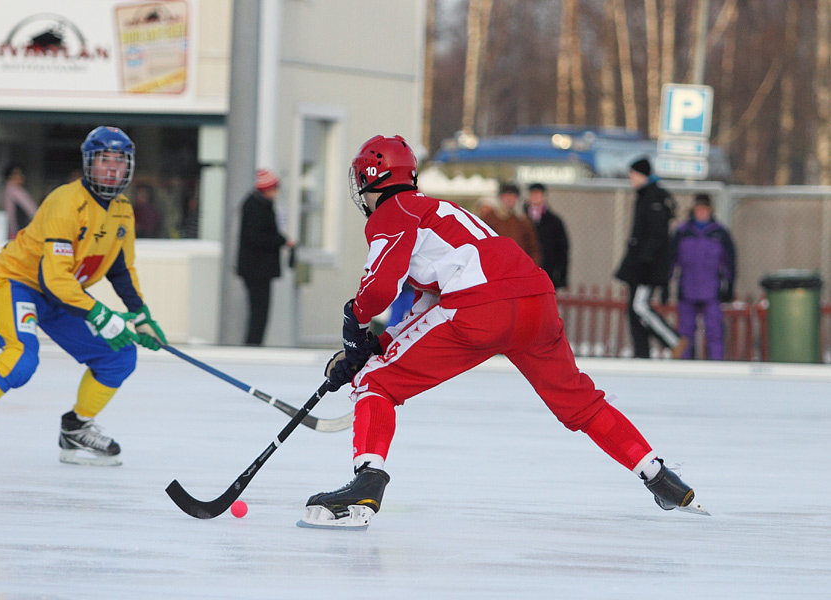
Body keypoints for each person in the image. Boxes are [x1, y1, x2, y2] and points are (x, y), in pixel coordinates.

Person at [297, 135, 706, 530]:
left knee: (375, 381)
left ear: (372, 179)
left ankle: (365, 487)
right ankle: (660, 477)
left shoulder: (393, 212)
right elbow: (427, 307)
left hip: (481, 309)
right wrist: (379, 344)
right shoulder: (443, 211)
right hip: (536, 299)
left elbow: (381, 287)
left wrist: (355, 329)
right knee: (580, 404)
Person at [0, 126, 167, 468]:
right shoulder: (65, 202)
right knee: (21, 358)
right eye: (104, 160)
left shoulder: (123, 211)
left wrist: (141, 314)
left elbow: (120, 269)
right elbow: (53, 277)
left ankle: (76, 427)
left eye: (120, 161)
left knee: (119, 356)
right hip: (18, 282)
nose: (112, 168)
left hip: (63, 295)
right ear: (89, 164)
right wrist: (102, 315)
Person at [615, 158, 687, 359]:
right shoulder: (646, 196)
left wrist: (644, 262)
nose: (630, 178)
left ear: (642, 175)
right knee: (633, 310)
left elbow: (655, 237)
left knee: (640, 307)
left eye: (633, 174)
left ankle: (673, 341)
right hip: (640, 265)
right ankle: (641, 352)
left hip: (646, 268)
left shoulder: (653, 198)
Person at [670, 194, 737, 360]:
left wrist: (729, 285)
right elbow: (671, 260)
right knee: (685, 332)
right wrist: (666, 281)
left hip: (711, 290)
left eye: (705, 209)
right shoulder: (682, 232)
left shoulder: (720, 233)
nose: (702, 212)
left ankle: (716, 365)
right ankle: (685, 366)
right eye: (699, 209)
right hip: (687, 289)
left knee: (714, 330)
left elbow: (730, 262)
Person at [236, 168, 295, 346]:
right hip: (257, 268)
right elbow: (256, 236)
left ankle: (255, 343)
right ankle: (253, 344)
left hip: (257, 268)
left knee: (260, 311)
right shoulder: (256, 206)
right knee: (259, 310)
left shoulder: (257, 204)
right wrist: (282, 240)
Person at [476, 182, 542, 264]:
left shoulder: (523, 220)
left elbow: (532, 247)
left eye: (513, 196)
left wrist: (532, 265)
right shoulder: (490, 217)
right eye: (506, 196)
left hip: (519, 265)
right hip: (495, 264)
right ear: (501, 198)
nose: (509, 199)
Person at [526, 182, 569, 289]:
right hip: (525, 269)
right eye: (533, 194)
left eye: (538, 194)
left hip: (548, 268)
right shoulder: (520, 219)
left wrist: (561, 274)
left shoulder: (554, 221)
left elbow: (562, 248)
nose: (535, 197)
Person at [2, 164, 38, 239]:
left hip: (10, 232)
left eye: (21, 174)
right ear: (10, 176)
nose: (21, 176)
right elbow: (33, 211)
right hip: (17, 232)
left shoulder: (6, 189)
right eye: (17, 174)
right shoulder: (15, 190)